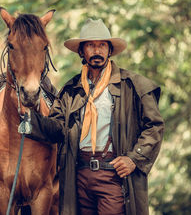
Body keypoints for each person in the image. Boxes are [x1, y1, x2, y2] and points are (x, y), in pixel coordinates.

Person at [27, 18, 164, 215]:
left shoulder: (132, 85)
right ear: (81, 52)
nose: (97, 50)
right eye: (90, 45)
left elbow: (155, 126)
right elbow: (57, 129)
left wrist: (134, 158)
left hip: (113, 175)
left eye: (102, 45)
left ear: (110, 50)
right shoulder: (71, 90)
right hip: (79, 175)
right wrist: (30, 118)